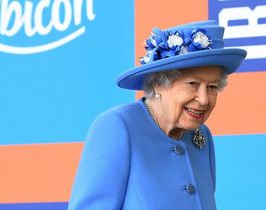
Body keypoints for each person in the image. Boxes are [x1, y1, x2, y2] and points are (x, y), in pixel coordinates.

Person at [68, 20, 246, 210]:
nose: (203, 99)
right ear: (159, 84)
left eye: (212, 87)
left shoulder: (201, 137)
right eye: (193, 84)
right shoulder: (118, 126)